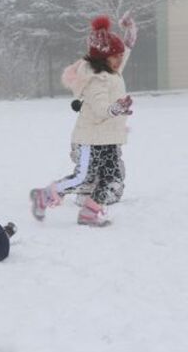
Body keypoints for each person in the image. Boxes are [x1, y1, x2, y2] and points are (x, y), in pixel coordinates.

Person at [30, 13, 138, 226]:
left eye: (119, 56)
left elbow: (126, 49)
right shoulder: (95, 79)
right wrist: (117, 108)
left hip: (108, 139)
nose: (120, 59)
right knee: (83, 178)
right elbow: (100, 110)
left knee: (112, 178)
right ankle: (43, 195)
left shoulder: (112, 71)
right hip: (91, 139)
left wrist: (131, 29)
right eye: (115, 56)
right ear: (103, 57)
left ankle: (90, 212)